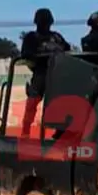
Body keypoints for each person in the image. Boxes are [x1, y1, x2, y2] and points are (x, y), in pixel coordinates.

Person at [19, 8, 70, 138]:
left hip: (59, 73)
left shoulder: (57, 37)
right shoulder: (31, 37)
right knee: (32, 101)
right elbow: (26, 53)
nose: (45, 24)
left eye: (46, 21)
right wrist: (41, 57)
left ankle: (60, 132)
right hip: (41, 72)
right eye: (43, 21)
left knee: (63, 102)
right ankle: (25, 132)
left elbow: (68, 50)